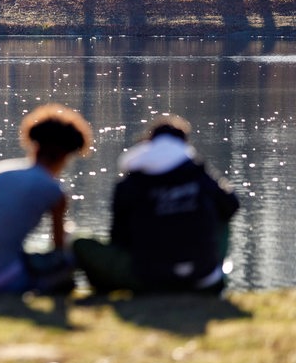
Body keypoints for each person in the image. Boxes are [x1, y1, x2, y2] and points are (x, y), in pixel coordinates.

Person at [72, 116, 240, 295]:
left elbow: (119, 239)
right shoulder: (198, 174)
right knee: (222, 211)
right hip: (201, 277)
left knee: (79, 244)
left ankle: (108, 287)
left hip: (148, 278)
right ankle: (212, 273)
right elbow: (232, 205)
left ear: (149, 143)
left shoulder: (130, 183)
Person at [0, 104, 93, 294]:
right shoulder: (55, 190)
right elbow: (58, 249)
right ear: (65, 154)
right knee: (68, 260)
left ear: (34, 144)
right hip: (0, 281)